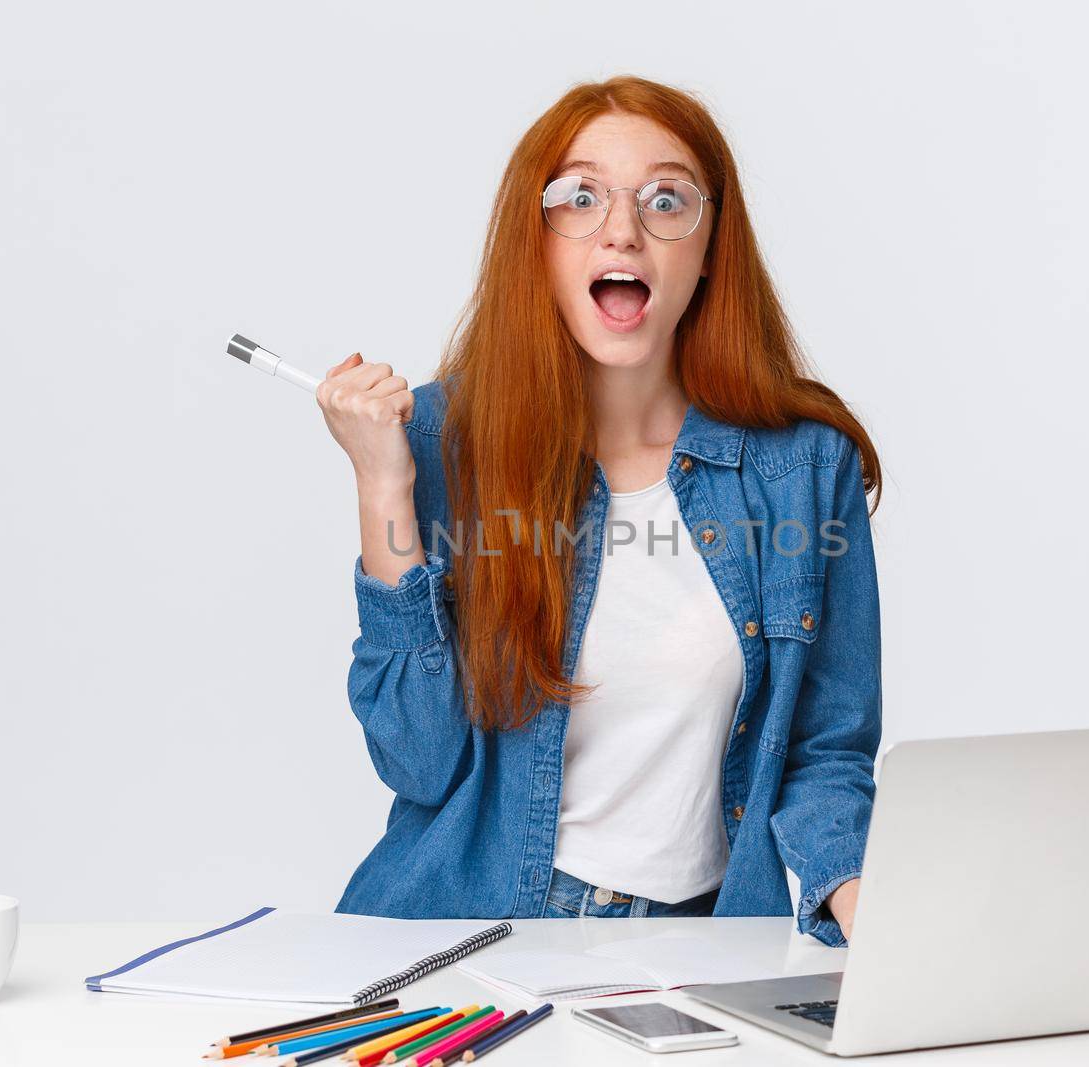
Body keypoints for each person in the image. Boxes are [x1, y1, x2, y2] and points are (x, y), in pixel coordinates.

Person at [316, 75, 882, 947]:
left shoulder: (803, 463)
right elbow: (417, 761)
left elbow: (826, 750)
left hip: (704, 949)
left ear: (709, 249)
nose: (623, 227)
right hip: (470, 939)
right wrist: (382, 484)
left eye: (666, 200)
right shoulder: (434, 439)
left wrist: (868, 909)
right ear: (535, 243)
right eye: (579, 197)